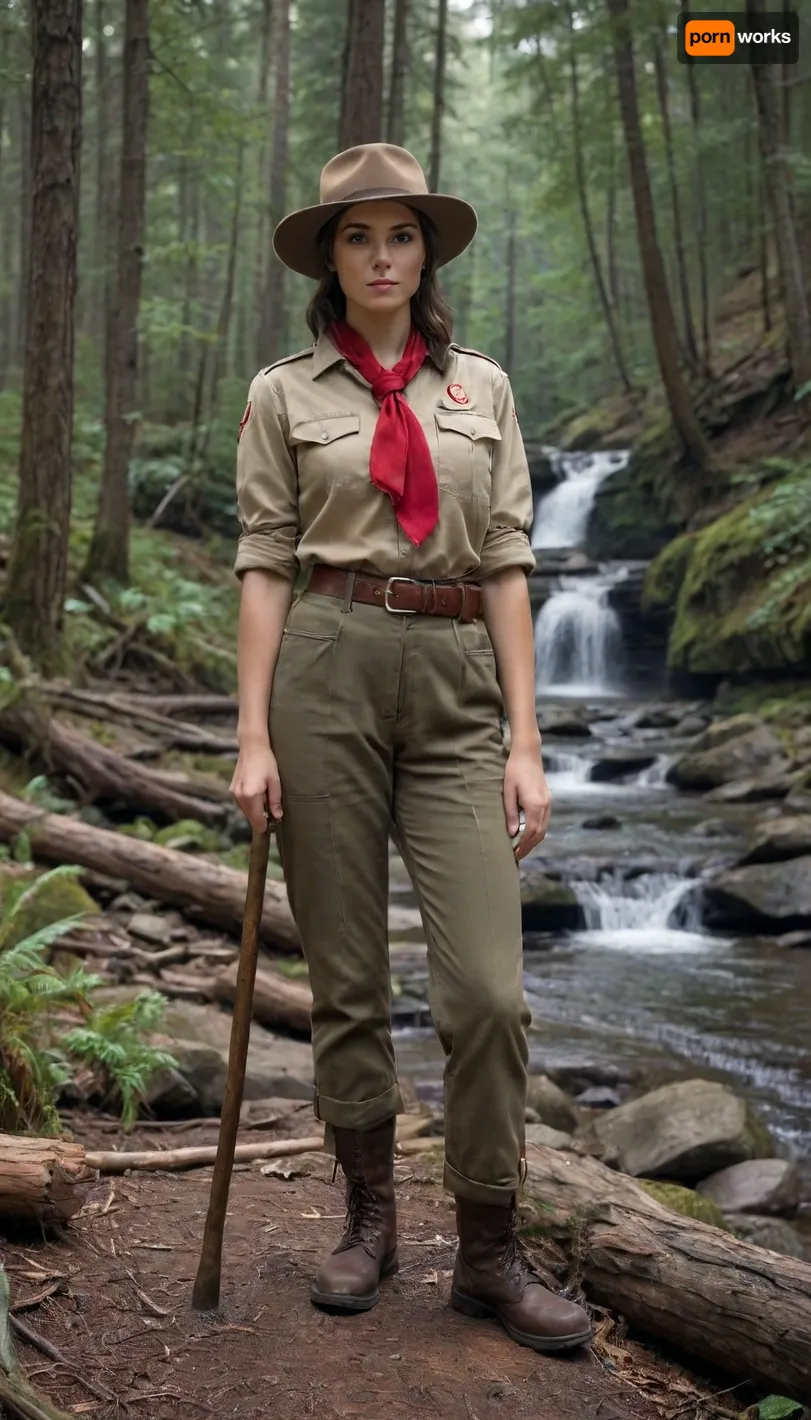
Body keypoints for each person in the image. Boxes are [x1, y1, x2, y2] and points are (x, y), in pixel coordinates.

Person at [230, 143, 591, 1355]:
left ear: (424, 253)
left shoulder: (479, 389)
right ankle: (369, 1217)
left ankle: (487, 1250)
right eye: (356, 237)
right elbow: (266, 563)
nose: (380, 256)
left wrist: (527, 744)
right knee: (346, 979)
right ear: (328, 260)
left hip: (453, 686)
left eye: (399, 235)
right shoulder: (285, 392)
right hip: (323, 669)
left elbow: (505, 564)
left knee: (488, 991)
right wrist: (250, 735)